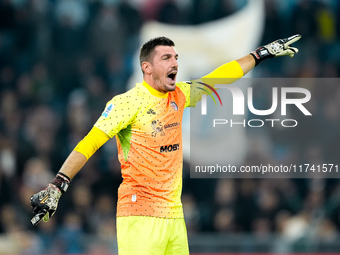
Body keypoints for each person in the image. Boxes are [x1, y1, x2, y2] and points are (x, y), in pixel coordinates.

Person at [30, 35, 301, 255]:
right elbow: (89, 143)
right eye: (166, 58)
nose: (175, 63)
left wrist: (260, 54)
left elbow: (219, 77)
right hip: (139, 215)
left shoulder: (180, 94)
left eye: (176, 58)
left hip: (174, 216)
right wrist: (58, 185)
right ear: (147, 67)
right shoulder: (126, 103)